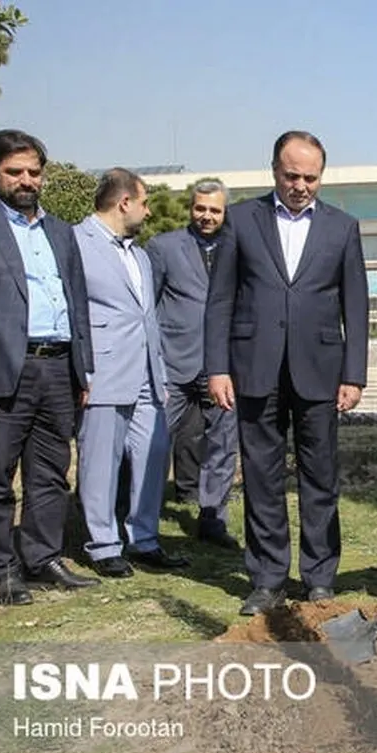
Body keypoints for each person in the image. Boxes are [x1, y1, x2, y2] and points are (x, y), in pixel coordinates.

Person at [205, 131, 369, 616]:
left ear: (322, 176)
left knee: (320, 478)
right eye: (291, 175)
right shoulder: (240, 220)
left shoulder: (343, 227)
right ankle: (267, 578)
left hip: (320, 372)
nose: (300, 185)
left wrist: (353, 374)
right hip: (254, 369)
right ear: (274, 170)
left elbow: (356, 307)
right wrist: (217, 367)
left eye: (310, 177)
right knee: (261, 477)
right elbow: (220, 301)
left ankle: (319, 577)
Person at [0, 129, 100, 604]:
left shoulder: (60, 231)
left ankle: (42, 555)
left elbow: (77, 303)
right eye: (15, 172)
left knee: (51, 471)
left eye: (33, 171)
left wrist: (82, 370)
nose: (26, 180)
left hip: (56, 367)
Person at [74, 169, 189, 578]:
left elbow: (147, 317)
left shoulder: (139, 254)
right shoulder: (77, 243)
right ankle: (103, 545)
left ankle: (144, 539)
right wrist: (81, 372)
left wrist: (159, 374)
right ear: (125, 202)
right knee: (101, 462)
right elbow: (74, 315)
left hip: (147, 375)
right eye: (144, 202)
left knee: (153, 455)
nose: (149, 210)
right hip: (102, 371)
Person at [148, 178, 239, 548]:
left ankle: (213, 518)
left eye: (214, 210)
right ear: (191, 208)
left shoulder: (240, 247)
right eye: (200, 208)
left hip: (224, 366)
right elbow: (147, 307)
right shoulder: (163, 247)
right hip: (172, 362)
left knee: (222, 443)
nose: (206, 215)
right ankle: (139, 513)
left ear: (224, 212)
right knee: (153, 441)